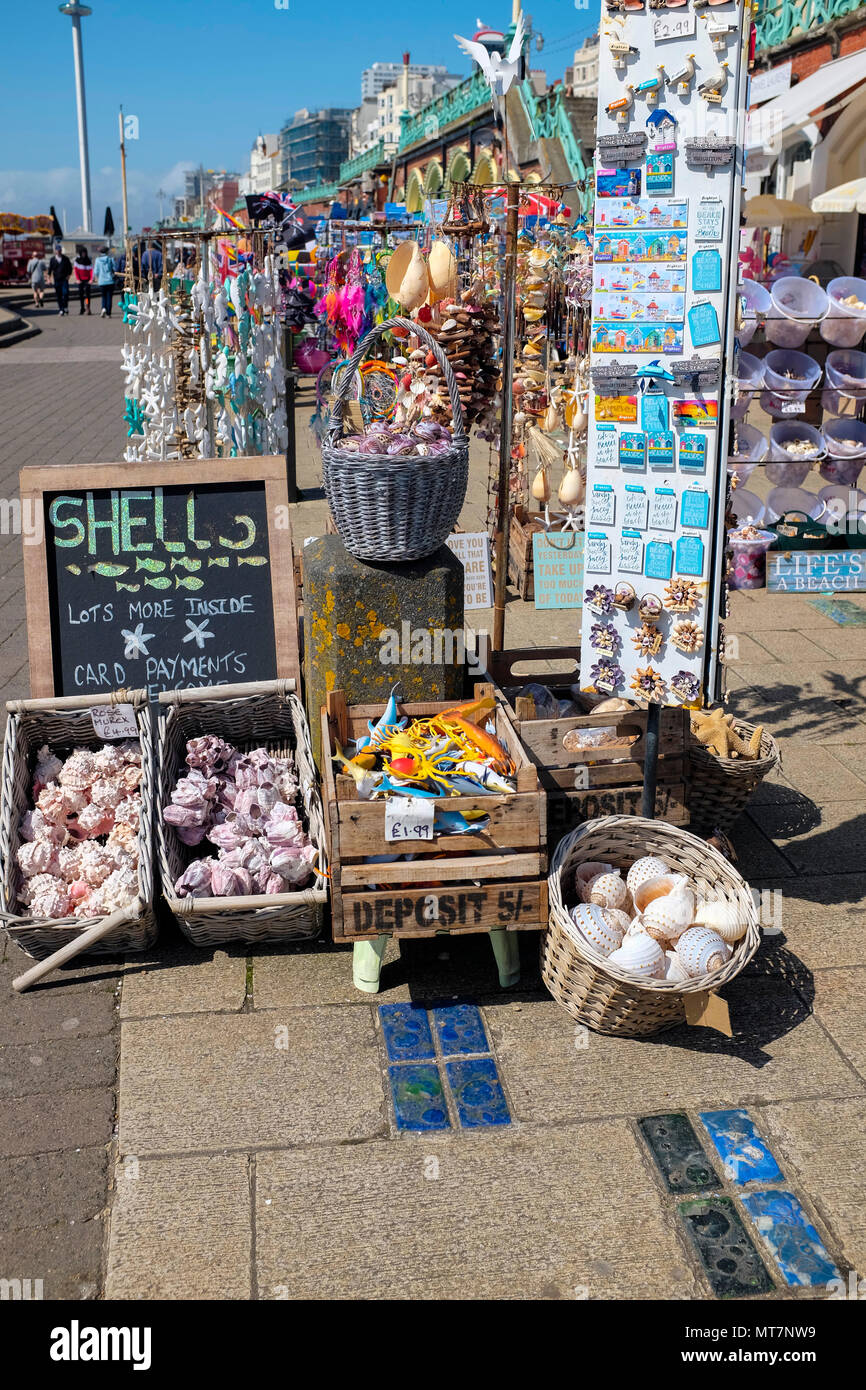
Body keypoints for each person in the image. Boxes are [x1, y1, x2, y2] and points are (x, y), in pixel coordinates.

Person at [93, 246, 117, 317]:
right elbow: (114, 268)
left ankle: (103, 308)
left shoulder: (97, 260)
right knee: (109, 297)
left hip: (102, 281)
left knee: (103, 296)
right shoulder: (110, 259)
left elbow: (96, 271)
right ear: (107, 252)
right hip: (110, 281)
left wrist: (97, 277)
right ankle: (108, 313)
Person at [49, 244, 72, 315]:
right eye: (57, 250)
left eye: (60, 250)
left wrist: (68, 275)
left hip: (64, 279)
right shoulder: (52, 259)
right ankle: (61, 309)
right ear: (55, 251)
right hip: (57, 280)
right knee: (58, 295)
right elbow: (50, 270)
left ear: (61, 251)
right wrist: (49, 279)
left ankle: (65, 306)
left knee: (65, 293)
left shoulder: (66, 259)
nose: (58, 251)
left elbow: (70, 268)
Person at [73, 246, 93, 315]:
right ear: (80, 253)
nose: (84, 254)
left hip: (87, 280)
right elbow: (76, 271)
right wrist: (78, 279)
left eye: (85, 253)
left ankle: (87, 307)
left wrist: (91, 279)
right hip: (80, 280)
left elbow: (91, 270)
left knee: (87, 296)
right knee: (81, 295)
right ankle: (82, 308)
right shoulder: (77, 261)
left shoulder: (88, 260)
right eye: (82, 253)